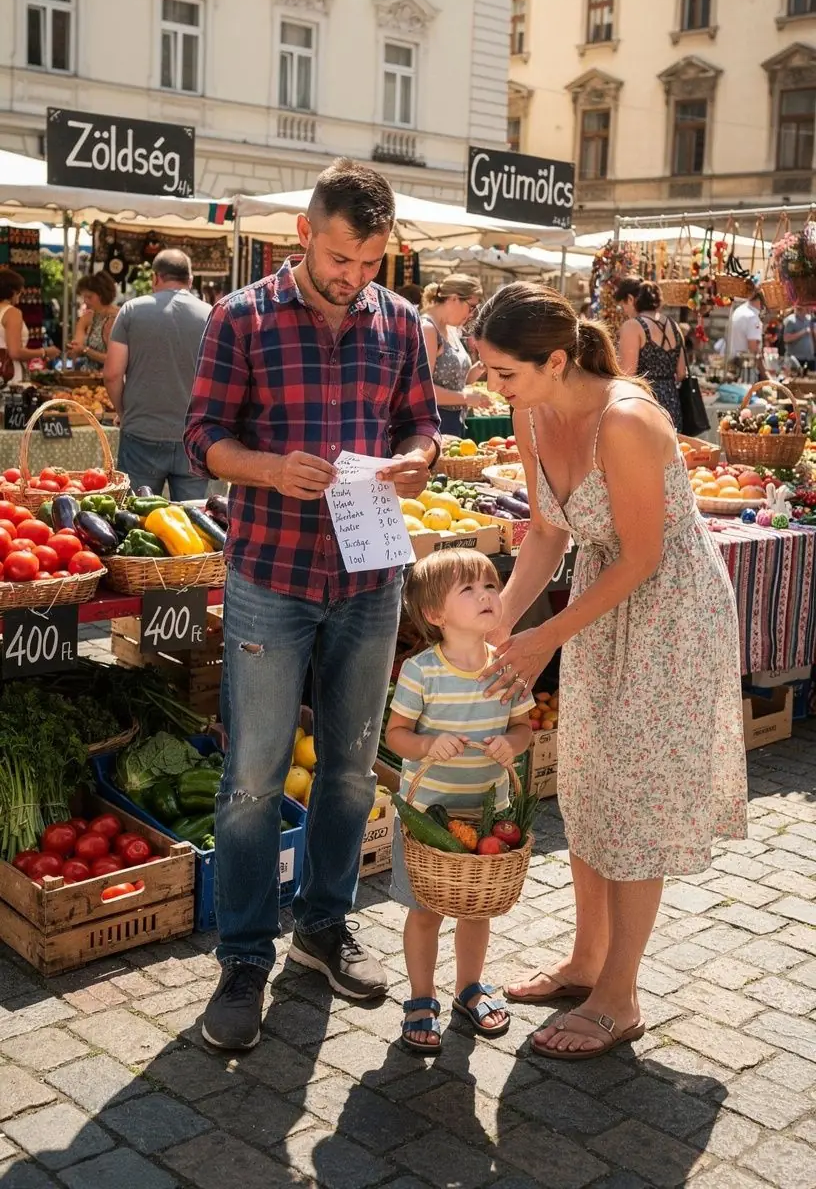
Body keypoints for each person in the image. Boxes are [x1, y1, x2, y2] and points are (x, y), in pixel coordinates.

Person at [183, 158, 441, 1052]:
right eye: (341, 258)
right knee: (253, 780)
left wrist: (418, 460)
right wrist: (266, 469)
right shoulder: (240, 317)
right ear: (304, 232)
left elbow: (424, 424)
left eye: (371, 262)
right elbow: (203, 437)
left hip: (370, 581)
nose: (354, 277)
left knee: (349, 769)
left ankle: (324, 930)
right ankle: (245, 957)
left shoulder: (401, 323)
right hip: (270, 577)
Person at [472, 283, 746, 1062]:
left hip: (669, 611)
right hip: (601, 603)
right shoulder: (531, 412)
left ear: (556, 360)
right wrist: (506, 621)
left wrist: (545, 637)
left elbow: (646, 557)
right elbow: (547, 533)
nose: (494, 388)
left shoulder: (627, 420)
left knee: (636, 796)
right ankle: (585, 963)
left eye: (504, 373)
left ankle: (620, 996)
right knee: (590, 781)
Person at [385, 550, 533, 1054]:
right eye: (468, 590)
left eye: (490, 585)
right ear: (435, 615)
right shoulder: (421, 672)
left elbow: (523, 727)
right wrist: (428, 745)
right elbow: (397, 735)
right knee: (425, 911)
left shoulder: (505, 668)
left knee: (477, 908)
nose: (486, 596)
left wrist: (511, 745)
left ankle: (469, 987)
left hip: (487, 816)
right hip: (427, 817)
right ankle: (421, 997)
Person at [104, 249, 211, 500]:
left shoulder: (131, 310)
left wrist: (124, 413)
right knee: (193, 523)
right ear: (191, 280)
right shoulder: (211, 314)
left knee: (134, 520)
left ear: (155, 278)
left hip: (142, 432)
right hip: (193, 436)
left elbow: (112, 374)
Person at [421, 276, 492, 435]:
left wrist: (481, 367)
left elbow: (456, 382)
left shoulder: (451, 329)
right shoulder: (428, 329)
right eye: (471, 306)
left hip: (453, 421)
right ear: (454, 299)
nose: (472, 314)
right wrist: (466, 398)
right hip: (433, 424)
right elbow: (423, 390)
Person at [616, 282, 687, 430]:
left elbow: (628, 373)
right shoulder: (674, 326)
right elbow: (681, 373)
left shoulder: (633, 326)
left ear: (635, 300)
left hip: (644, 402)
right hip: (672, 403)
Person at [0, 270, 59, 381]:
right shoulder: (12, 313)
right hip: (8, 373)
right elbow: (15, 352)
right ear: (12, 291)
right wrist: (44, 352)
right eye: (20, 292)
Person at [67, 272, 119, 368]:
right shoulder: (87, 318)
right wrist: (73, 349)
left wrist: (85, 350)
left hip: (108, 378)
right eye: (84, 297)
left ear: (102, 294)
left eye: (89, 297)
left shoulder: (117, 319)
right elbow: (77, 346)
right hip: (87, 378)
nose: (85, 301)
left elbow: (115, 359)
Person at [730, 289, 764, 370]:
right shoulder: (752, 317)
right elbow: (753, 348)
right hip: (746, 367)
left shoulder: (739, 310)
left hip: (734, 363)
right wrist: (764, 373)